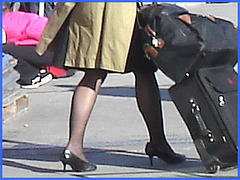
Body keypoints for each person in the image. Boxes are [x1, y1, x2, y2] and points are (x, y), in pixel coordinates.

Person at [36, 2, 186, 172]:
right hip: (124, 14)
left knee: (94, 74)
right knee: (144, 71)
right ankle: (158, 142)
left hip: (91, 11)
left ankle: (74, 146)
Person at [2, 3, 74, 89]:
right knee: (13, 49)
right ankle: (38, 73)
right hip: (59, 49)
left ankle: (29, 77)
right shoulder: (16, 17)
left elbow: (45, 33)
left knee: (5, 50)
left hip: (56, 50)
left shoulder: (6, 23)